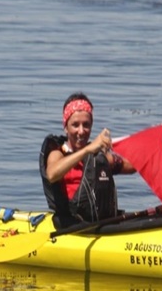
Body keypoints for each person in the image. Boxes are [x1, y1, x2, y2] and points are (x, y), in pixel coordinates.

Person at [40, 93, 135, 227]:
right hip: (70, 225)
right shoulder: (57, 152)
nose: (81, 131)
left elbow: (133, 166)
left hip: (103, 225)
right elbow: (52, 174)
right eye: (75, 125)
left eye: (86, 125)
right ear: (66, 127)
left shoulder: (98, 156)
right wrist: (87, 150)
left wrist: (158, 141)